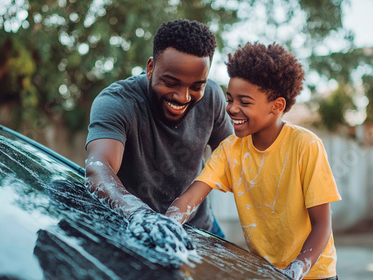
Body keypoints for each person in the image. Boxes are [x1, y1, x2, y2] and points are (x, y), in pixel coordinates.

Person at [165, 42, 342, 279]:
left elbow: (322, 224)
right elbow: (190, 198)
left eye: (244, 102)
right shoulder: (230, 150)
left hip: (313, 274)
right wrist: (167, 224)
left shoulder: (305, 145)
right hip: (266, 273)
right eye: (230, 99)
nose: (232, 109)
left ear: (277, 106)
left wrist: (297, 268)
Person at [85, 19, 233, 251]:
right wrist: (141, 214)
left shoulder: (213, 97)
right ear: (151, 67)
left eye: (196, 86)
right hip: (137, 231)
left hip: (202, 230)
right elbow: (99, 167)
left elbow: (232, 157)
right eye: (171, 82)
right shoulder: (117, 102)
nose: (183, 97)